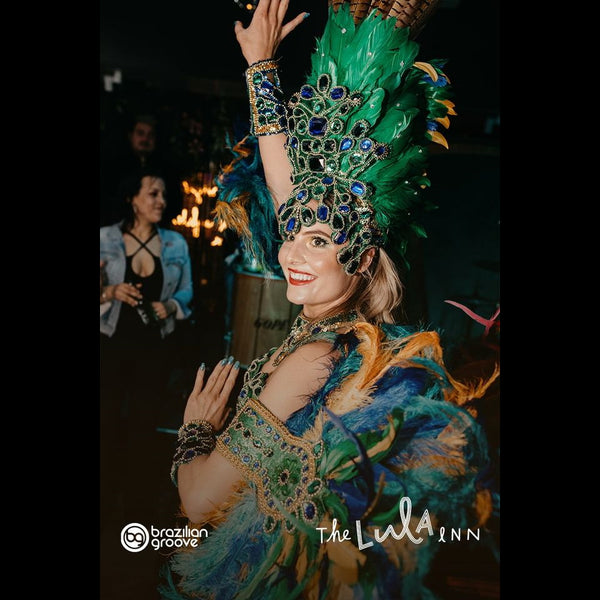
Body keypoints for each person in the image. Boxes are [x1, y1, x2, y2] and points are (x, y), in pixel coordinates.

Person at [159, 1, 499, 599]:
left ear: (363, 260)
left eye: (317, 241)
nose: (292, 252)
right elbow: (287, 191)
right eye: (291, 233)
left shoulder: (314, 357)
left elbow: (199, 500)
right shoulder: (347, 333)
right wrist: (261, 68)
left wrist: (195, 431)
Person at [100, 165, 193, 526]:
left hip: (154, 350)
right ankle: (106, 503)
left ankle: (136, 508)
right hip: (109, 346)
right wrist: (110, 291)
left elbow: (187, 295)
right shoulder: (105, 238)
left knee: (143, 425)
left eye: (163, 194)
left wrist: (168, 305)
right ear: (132, 199)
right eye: (153, 193)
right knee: (106, 422)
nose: (161, 200)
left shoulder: (175, 244)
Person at [100, 114, 183, 226]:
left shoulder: (166, 170)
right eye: (140, 133)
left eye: (150, 135)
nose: (145, 139)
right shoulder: (114, 167)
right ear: (131, 136)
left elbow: (174, 203)